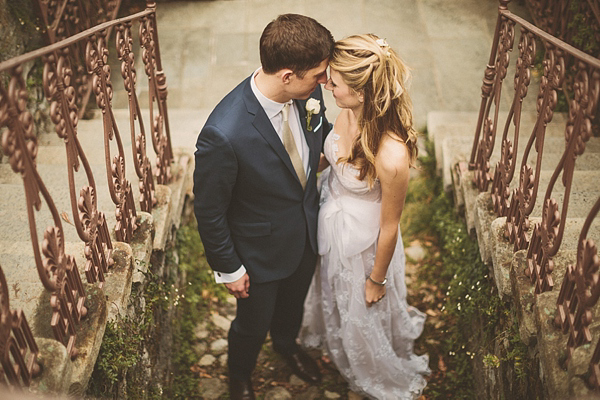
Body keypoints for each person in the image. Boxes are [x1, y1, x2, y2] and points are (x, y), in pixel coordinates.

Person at [193, 14, 334, 400]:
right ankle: (239, 376)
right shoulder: (224, 133)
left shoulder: (308, 94)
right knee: (251, 325)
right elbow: (209, 210)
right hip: (256, 255)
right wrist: (229, 268)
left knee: (293, 308)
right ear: (287, 75)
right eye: (319, 75)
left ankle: (286, 346)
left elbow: (320, 136)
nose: (326, 83)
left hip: (305, 233)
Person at [300, 34, 430, 399]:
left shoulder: (391, 156)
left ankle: (373, 369)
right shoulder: (348, 110)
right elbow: (334, 157)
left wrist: (376, 279)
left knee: (360, 304)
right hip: (333, 217)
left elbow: (390, 227)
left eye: (334, 81)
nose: (326, 83)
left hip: (365, 245)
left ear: (360, 93)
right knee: (331, 288)